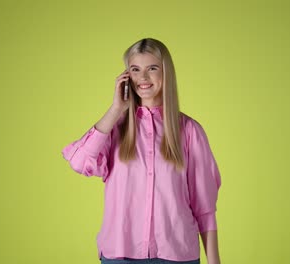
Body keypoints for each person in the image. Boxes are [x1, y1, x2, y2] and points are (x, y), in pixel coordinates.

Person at [61, 38, 222, 264]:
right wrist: (116, 109)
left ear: (166, 74)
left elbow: (204, 206)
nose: (143, 78)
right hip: (120, 255)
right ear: (127, 76)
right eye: (135, 70)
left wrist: (214, 260)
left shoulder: (189, 131)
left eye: (152, 68)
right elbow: (79, 162)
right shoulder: (114, 129)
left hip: (177, 256)